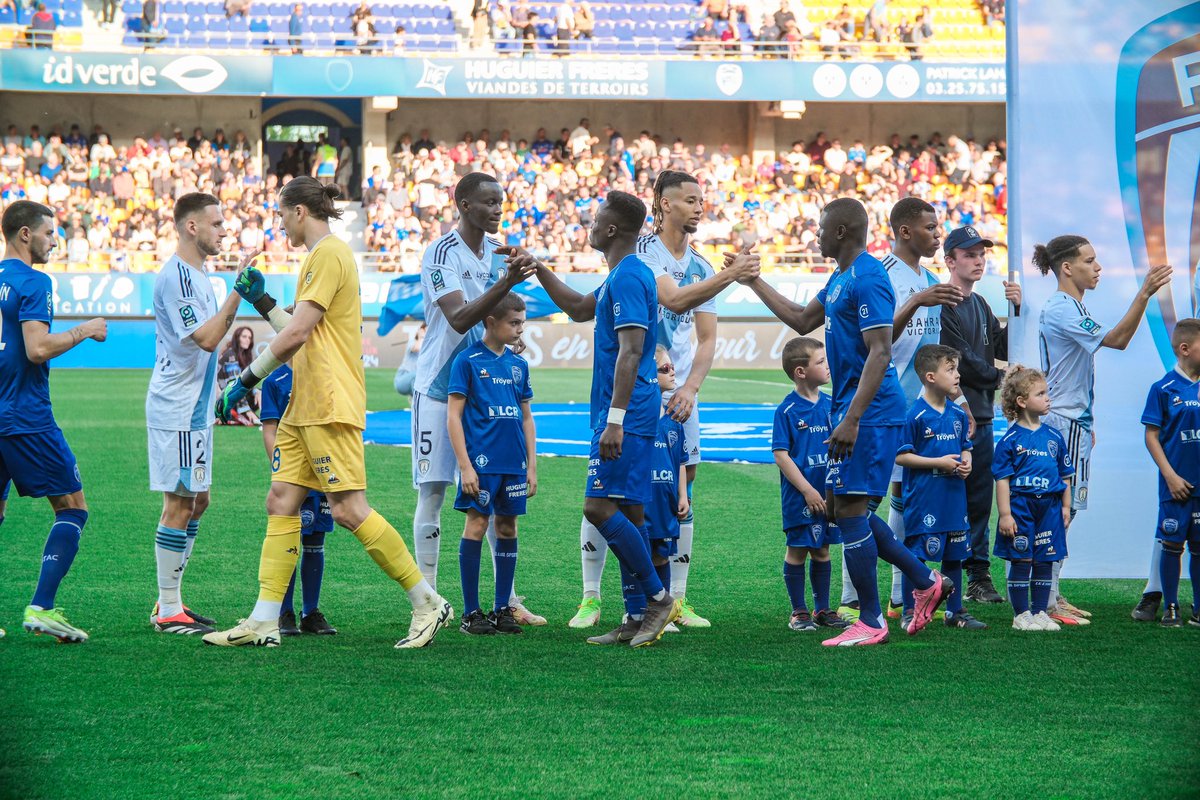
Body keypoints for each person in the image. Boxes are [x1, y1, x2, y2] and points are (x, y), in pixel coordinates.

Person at [202, 177, 452, 649]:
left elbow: (296, 336)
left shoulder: (330, 254)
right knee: (281, 501)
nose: (279, 223)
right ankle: (264, 619)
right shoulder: (320, 257)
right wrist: (262, 301)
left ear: (299, 211)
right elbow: (300, 328)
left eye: (281, 213)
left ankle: (426, 602)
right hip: (305, 404)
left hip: (329, 402)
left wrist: (246, 379)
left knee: (347, 509)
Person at [732, 197, 953, 646]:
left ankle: (871, 619)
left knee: (850, 512)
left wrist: (851, 418)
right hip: (852, 409)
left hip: (870, 413)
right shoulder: (840, 277)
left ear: (840, 232)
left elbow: (881, 351)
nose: (814, 233)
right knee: (839, 510)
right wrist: (754, 281)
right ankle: (925, 580)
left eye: (819, 226)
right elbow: (799, 319)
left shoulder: (869, 276)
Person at [569, 170, 760, 630]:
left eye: (702, 199)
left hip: (667, 395)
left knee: (670, 496)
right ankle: (597, 597)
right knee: (618, 499)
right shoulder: (642, 253)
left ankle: (668, 598)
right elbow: (672, 302)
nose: (699, 207)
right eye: (690, 199)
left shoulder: (699, 262)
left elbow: (707, 337)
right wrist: (731, 274)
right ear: (663, 203)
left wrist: (691, 387)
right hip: (637, 390)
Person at [532, 191, 682, 648]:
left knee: (598, 508)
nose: (591, 225)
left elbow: (633, 351)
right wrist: (537, 268)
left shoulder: (631, 276)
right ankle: (636, 616)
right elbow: (578, 309)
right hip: (623, 412)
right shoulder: (621, 275)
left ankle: (658, 598)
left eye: (596, 219)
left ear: (612, 229)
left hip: (627, 414)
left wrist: (614, 420)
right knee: (631, 511)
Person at [411, 172, 544, 626]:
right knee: (433, 491)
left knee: (491, 495)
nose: (496, 210)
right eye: (488, 202)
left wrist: (506, 336)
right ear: (463, 204)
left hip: (484, 391)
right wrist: (505, 284)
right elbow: (459, 318)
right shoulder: (439, 253)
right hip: (436, 386)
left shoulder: (493, 250)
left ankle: (506, 598)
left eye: (501, 203)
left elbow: (493, 316)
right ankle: (427, 600)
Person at [1032, 235, 1172, 624]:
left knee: (1065, 509)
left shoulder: (1071, 305)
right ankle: (1046, 598)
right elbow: (1119, 340)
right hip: (1063, 422)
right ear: (1067, 267)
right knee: (1061, 510)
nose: (1098, 268)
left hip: (1072, 422)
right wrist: (1144, 294)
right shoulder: (1063, 308)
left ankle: (1051, 595)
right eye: (1090, 261)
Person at [841, 196, 960, 621]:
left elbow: (935, 353)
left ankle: (901, 594)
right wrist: (916, 301)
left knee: (902, 499)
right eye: (930, 227)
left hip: (923, 409)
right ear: (905, 231)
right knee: (862, 503)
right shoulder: (882, 274)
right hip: (884, 406)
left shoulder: (929, 277)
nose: (937, 233)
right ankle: (853, 596)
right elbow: (875, 341)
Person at [0, 200, 107, 643]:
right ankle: (42, 607)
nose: (55, 240)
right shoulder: (33, 281)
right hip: (24, 416)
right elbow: (37, 348)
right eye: (49, 233)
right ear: (25, 235)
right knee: (73, 507)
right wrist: (86, 329)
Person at [145, 193, 248, 636]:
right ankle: (168, 609)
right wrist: (238, 293)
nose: (225, 230)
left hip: (197, 408)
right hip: (178, 408)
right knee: (180, 501)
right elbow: (207, 339)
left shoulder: (202, 277)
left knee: (198, 500)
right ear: (192, 227)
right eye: (218, 224)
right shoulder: (180, 279)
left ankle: (172, 598)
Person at [939, 225, 1021, 604]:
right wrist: (1001, 376)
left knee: (977, 500)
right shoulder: (945, 304)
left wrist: (1016, 310)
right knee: (955, 498)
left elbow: (1001, 344)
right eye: (969, 255)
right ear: (950, 260)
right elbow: (962, 362)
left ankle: (976, 576)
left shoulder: (980, 304)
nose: (978, 260)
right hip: (955, 416)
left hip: (982, 417)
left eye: (981, 254)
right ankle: (955, 576)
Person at [447, 293, 537, 635]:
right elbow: (453, 417)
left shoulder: (518, 365)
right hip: (481, 465)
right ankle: (472, 613)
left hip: (513, 463)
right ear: (491, 322)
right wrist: (465, 466)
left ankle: (502, 609)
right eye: (513, 323)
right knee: (476, 525)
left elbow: (526, 418)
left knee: (508, 528)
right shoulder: (467, 361)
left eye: (522, 323)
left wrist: (531, 466)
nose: (519, 329)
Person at [894, 344, 986, 630]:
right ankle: (910, 609)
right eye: (951, 369)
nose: (957, 375)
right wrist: (938, 463)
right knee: (918, 554)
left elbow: (965, 447)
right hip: (925, 500)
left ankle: (954, 611)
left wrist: (967, 460)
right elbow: (900, 456)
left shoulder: (958, 415)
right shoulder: (915, 416)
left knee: (955, 555)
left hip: (954, 498)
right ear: (930, 377)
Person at [771, 337, 849, 632]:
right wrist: (806, 489)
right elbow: (781, 455)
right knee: (798, 549)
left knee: (823, 550)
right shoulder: (787, 411)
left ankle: (822, 609)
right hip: (801, 496)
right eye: (820, 362)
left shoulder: (832, 405)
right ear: (800, 371)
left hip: (829, 493)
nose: (827, 366)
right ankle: (798, 611)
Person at [992, 366, 1074, 632]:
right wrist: (1005, 514)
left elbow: (1065, 476)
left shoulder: (1054, 437)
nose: (1047, 398)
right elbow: (1002, 479)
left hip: (1049, 508)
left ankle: (1040, 612)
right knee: (1022, 559)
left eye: (1047, 392)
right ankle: (1021, 614)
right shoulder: (1010, 440)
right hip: (1021, 507)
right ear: (1022, 402)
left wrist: (1065, 505)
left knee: (1045, 560)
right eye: (1041, 394)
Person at [259, 363, 337, 636]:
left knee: (315, 540)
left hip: (321, 470)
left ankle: (311, 612)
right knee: (289, 538)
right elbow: (270, 429)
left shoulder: (325, 371)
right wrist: (280, 469)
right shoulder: (275, 380)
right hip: (292, 476)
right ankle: (284, 612)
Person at [1138, 318, 1200, 627]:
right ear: (1185, 349)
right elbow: (1151, 437)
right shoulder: (1162, 388)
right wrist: (1171, 476)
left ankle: (1198, 608)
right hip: (1175, 486)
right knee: (1173, 544)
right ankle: (1171, 606)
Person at [644, 347, 689, 633]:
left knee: (662, 554)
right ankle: (639, 610)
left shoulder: (675, 421)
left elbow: (681, 461)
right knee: (641, 555)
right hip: (643, 501)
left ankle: (664, 610)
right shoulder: (639, 419)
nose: (672, 372)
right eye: (664, 369)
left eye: (672, 367)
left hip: (666, 502)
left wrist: (683, 495)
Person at [217, 326, 260, 425]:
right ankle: (237, 414)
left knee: (261, 392)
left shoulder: (246, 355)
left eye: (249, 337)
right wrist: (247, 409)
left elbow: (248, 382)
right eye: (244, 336)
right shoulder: (230, 355)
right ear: (237, 338)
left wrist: (256, 391)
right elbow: (234, 386)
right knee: (239, 390)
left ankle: (240, 415)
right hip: (223, 397)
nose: (247, 340)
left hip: (233, 397)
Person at [393, 323, 424, 397]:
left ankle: (415, 403)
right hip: (402, 379)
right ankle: (418, 402)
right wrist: (421, 336)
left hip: (415, 380)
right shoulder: (413, 342)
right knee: (417, 375)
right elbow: (417, 348)